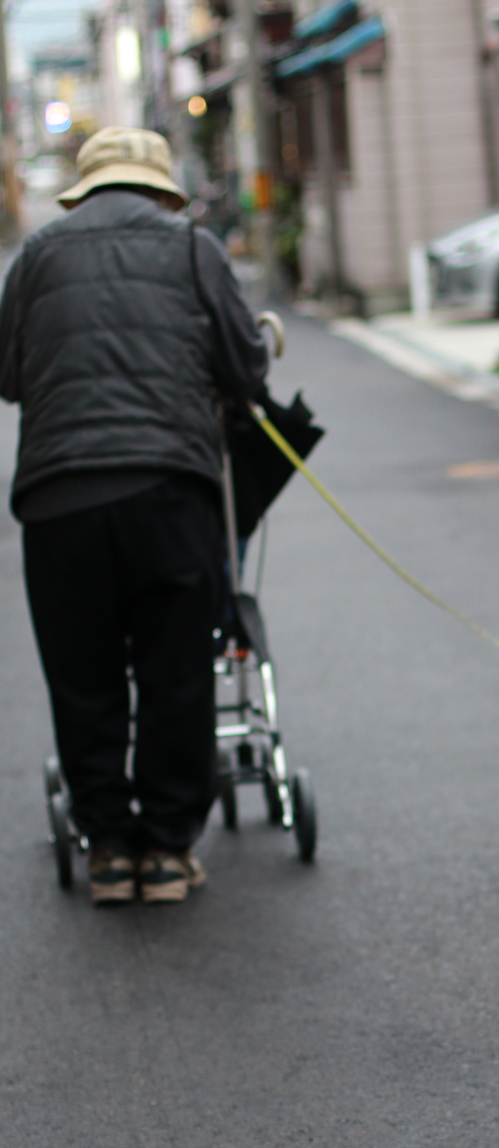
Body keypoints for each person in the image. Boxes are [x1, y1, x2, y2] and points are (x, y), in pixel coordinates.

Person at [0, 127, 269, 905]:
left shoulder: (39, 254)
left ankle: (109, 851)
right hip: (168, 492)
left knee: (82, 679)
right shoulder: (193, 249)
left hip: (58, 498)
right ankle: (166, 851)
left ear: (85, 189)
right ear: (158, 189)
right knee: (175, 674)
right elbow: (245, 367)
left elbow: (9, 375)